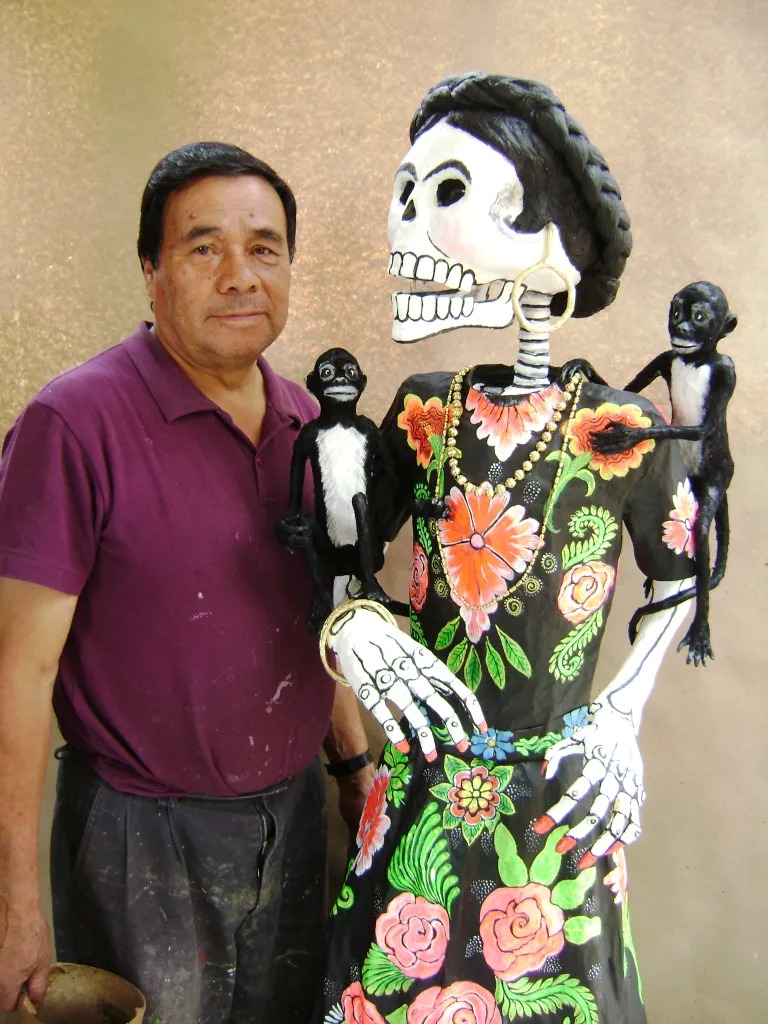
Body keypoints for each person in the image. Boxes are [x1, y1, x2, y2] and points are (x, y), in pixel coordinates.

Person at [310, 75, 698, 1024]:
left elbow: (681, 578)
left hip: (563, 790)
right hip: (420, 785)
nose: (408, 226)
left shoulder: (621, 431)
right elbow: (340, 549)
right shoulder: (421, 412)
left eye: (447, 191)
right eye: (407, 194)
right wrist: (351, 619)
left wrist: (621, 715)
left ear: (550, 235)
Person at [0, 141, 373, 1024]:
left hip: (293, 821)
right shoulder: (75, 423)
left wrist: (354, 768)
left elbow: (318, 620)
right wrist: (13, 899)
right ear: (151, 272)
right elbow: (17, 673)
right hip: (137, 839)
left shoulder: (313, 428)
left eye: (265, 247)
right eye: (205, 248)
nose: (241, 275)